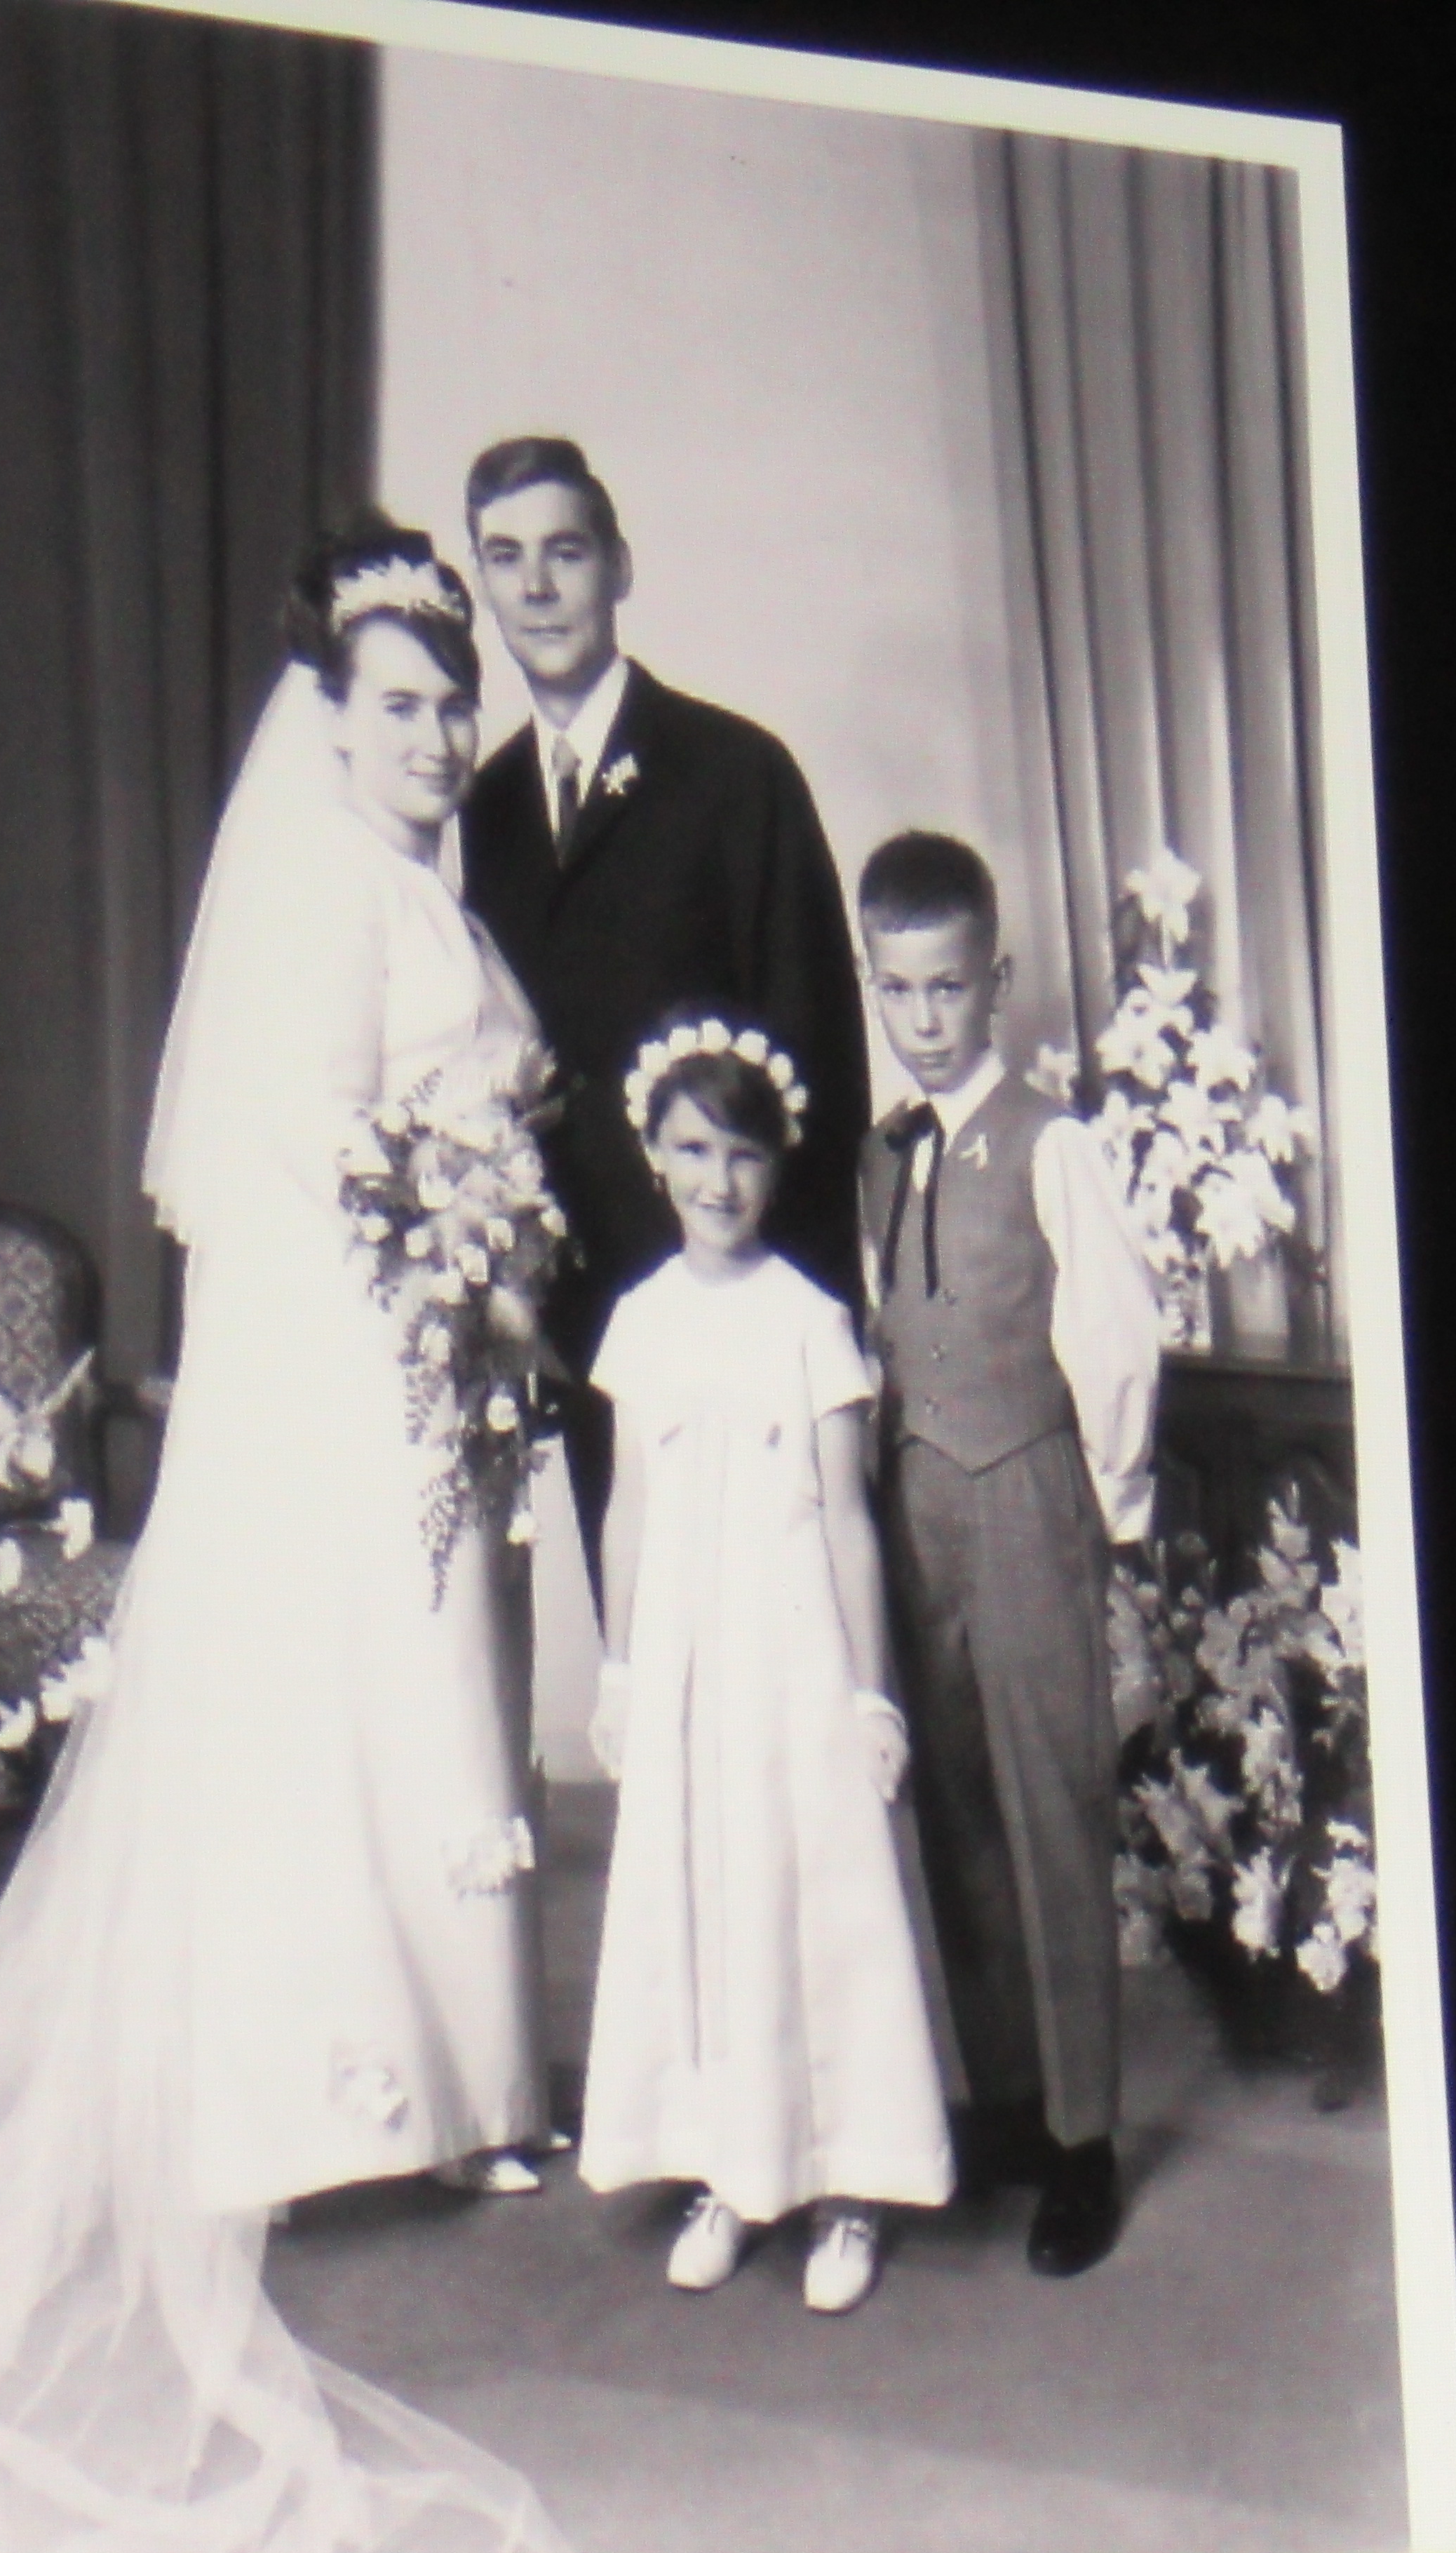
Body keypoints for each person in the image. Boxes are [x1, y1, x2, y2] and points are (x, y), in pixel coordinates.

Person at [0, 522, 589, 2553]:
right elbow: (318, 1155)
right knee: (346, 1700)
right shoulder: (320, 890)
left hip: (430, 1359)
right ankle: (324, 2099)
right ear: (332, 723)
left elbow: (454, 1119)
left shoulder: (426, 887)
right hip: (352, 1363)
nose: (439, 735)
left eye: (454, 702)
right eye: (401, 706)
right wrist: (450, 1269)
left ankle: (467, 2092)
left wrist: (488, 1265)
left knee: (441, 1699)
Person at [576, 1013, 956, 2314]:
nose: (718, 1181)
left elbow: (847, 1517)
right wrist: (619, 1668)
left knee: (815, 1898)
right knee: (707, 1900)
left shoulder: (809, 1318)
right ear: (655, 1157)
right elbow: (627, 1509)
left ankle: (849, 2182)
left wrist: (869, 1692)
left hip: (792, 1655)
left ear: (777, 1163)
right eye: (692, 1150)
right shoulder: (641, 1321)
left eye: (742, 1154)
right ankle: (735, 2173)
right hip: (688, 1661)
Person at [454, 437, 872, 1574]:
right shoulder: (484, 812)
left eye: (565, 552)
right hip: (595, 1329)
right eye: (506, 558)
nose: (537, 587)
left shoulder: (737, 774)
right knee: (649, 1648)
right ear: (482, 583)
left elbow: (819, 1069)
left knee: (786, 1642)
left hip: (746, 1312)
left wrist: (809, 1326)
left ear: (619, 567)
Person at [850, 833, 1163, 2280]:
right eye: (898, 988)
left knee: (1051, 1806)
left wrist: (1116, 1519)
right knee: (959, 1815)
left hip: (1030, 1497)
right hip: (917, 1504)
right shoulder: (876, 1153)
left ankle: (1085, 2140)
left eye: (949, 986)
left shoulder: (1053, 1143)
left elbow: (1113, 1337)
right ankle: (1011, 2105)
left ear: (997, 982)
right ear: (873, 984)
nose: (925, 1017)